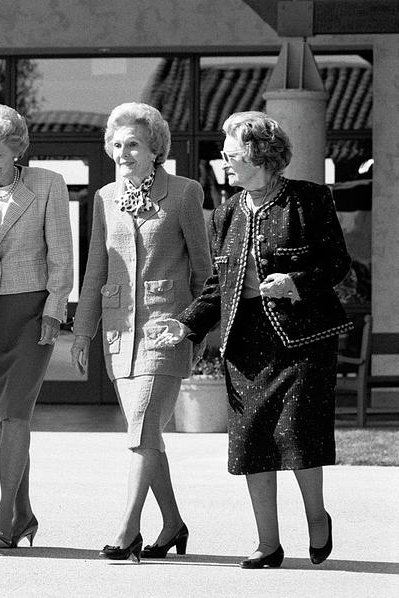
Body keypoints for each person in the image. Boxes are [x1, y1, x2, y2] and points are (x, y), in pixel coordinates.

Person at [156, 111, 350, 568]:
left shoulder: (308, 200)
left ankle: (316, 517)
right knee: (251, 442)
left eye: (231, 148)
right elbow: (215, 289)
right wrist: (184, 325)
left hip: (302, 341)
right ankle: (268, 543)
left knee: (297, 434)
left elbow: (336, 264)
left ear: (259, 153)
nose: (225, 155)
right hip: (245, 345)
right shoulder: (224, 214)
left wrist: (295, 282)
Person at [71, 102, 212, 562]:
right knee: (146, 435)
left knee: (142, 430)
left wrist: (200, 329)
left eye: (133, 144)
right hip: (118, 335)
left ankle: (127, 530)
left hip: (167, 331)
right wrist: (82, 331)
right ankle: (172, 524)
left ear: (156, 149)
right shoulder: (105, 198)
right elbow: (95, 269)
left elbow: (205, 272)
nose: (123, 152)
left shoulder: (186, 193)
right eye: (116, 144)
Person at [0, 104, 73, 548]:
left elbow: (61, 253)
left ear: (17, 152)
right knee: (9, 419)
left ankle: (5, 513)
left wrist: (54, 308)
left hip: (33, 312)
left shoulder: (48, 184)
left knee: (13, 413)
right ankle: (24, 515)